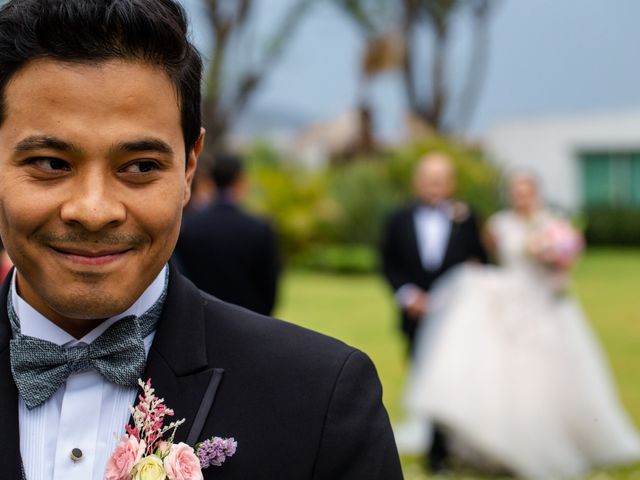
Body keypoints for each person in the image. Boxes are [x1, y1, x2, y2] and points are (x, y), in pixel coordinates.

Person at [0, 1, 403, 479]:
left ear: (190, 167)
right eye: (50, 163)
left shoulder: (320, 397)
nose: (94, 210)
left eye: (141, 167)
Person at [405, 172, 640, 478]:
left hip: (548, 307)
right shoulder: (498, 224)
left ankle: (567, 440)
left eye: (525, 191)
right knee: (513, 377)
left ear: (536, 192)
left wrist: (557, 258)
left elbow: (566, 264)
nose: (521, 197)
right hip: (510, 306)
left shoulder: (554, 223)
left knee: (557, 377)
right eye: (515, 192)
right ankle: (510, 444)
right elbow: (483, 259)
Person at [381, 152, 487, 471]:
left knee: (451, 378)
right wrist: (408, 295)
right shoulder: (398, 218)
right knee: (422, 376)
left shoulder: (466, 218)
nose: (434, 186)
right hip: (414, 316)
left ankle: (441, 451)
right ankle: (434, 442)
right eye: (429, 179)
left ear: (452, 183)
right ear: (417, 182)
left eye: (441, 179)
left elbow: (480, 262)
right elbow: (388, 263)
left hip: (456, 318)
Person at [176, 154, 280, 316]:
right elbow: (269, 289)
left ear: (210, 180)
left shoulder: (187, 225)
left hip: (198, 319)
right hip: (248, 321)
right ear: (240, 180)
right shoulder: (259, 228)